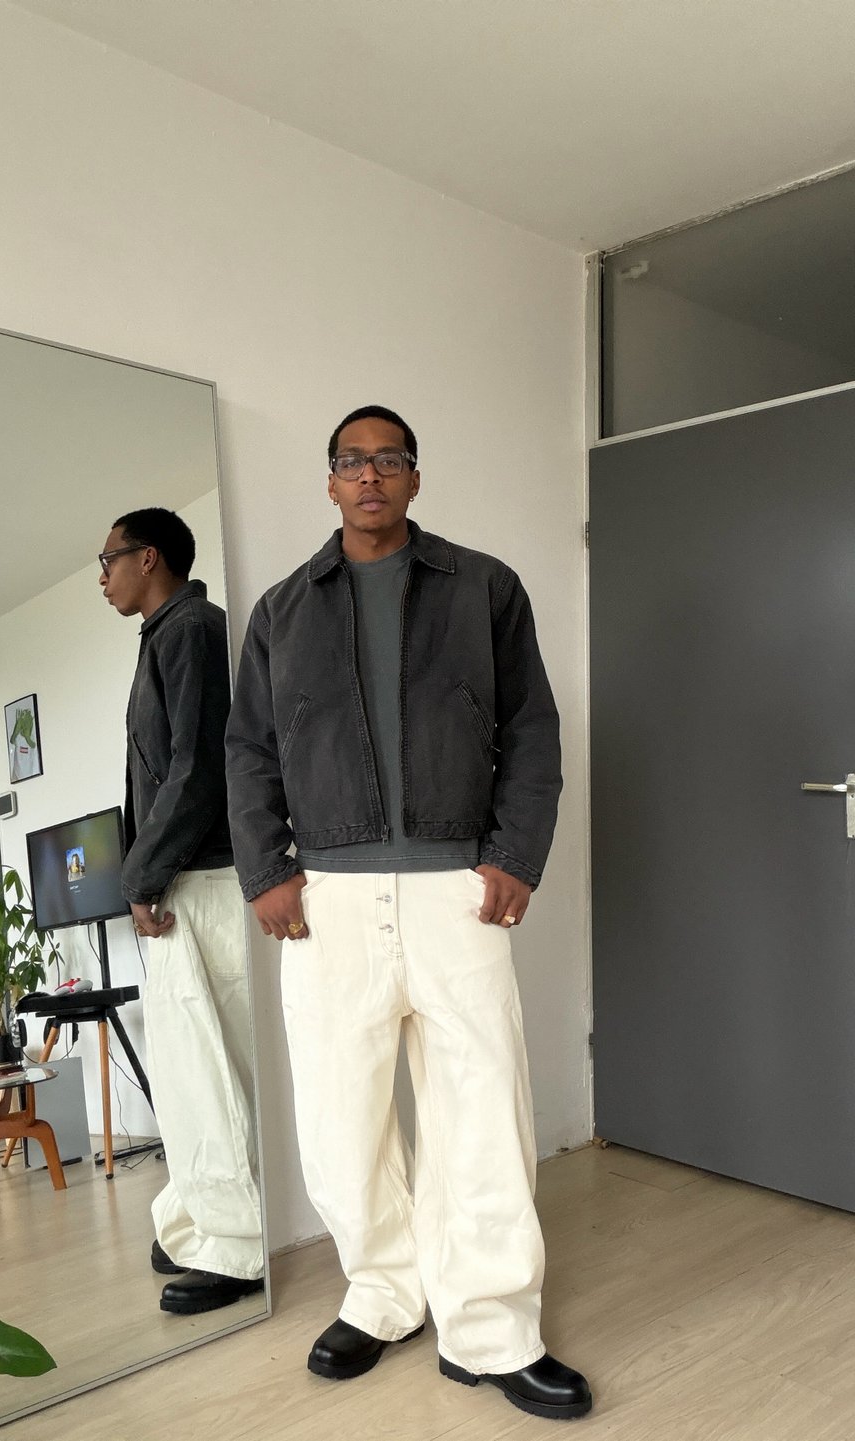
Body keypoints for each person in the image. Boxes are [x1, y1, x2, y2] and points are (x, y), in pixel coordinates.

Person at [225, 408, 591, 1420]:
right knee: (341, 1120)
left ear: (414, 477)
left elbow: (532, 728)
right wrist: (265, 869)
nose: (370, 475)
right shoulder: (282, 611)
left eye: (389, 458)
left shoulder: (484, 588)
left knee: (483, 1113)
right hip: (326, 897)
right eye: (352, 460)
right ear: (330, 481)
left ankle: (492, 1328)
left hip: (454, 887)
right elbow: (248, 750)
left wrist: (513, 854)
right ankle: (385, 1294)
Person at [100, 506, 263, 1315]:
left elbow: (197, 769)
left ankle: (239, 1247)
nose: (102, 577)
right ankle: (196, 1216)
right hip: (184, 882)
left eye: (108, 560)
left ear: (149, 557)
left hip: (199, 883)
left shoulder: (191, 630)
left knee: (207, 1073)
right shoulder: (168, 634)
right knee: (189, 1071)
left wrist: (141, 876)